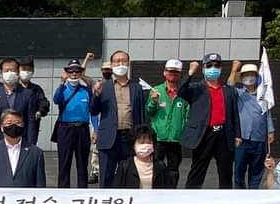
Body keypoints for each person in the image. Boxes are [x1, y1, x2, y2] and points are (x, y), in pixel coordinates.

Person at [177, 54, 240, 189]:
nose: (213, 68)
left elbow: (234, 114)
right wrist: (190, 72)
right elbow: (180, 91)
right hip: (204, 134)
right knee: (198, 170)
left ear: (221, 68)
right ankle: (190, 196)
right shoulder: (196, 88)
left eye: (216, 65)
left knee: (226, 172)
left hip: (224, 134)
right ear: (204, 68)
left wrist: (237, 135)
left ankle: (225, 197)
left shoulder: (228, 90)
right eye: (209, 65)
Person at [92, 50, 145, 187]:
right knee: (106, 177)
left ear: (128, 63)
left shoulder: (136, 87)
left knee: (128, 176)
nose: (120, 63)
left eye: (123, 60)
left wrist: (141, 137)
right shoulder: (104, 86)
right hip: (108, 137)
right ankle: (105, 200)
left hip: (129, 137)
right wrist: (96, 95)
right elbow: (94, 111)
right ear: (111, 65)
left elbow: (141, 114)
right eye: (116, 61)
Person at [230, 61, 275, 189]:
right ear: (241, 78)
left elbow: (268, 113)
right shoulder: (237, 93)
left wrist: (270, 130)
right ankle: (240, 195)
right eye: (246, 75)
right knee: (239, 172)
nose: (249, 77)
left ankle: (253, 195)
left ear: (257, 77)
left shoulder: (263, 95)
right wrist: (234, 69)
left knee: (256, 172)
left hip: (259, 138)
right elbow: (229, 85)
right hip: (242, 139)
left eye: (252, 75)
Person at [145, 59, 188, 189]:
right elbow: (149, 112)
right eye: (170, 71)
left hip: (176, 138)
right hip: (159, 137)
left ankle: (171, 192)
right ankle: (155, 191)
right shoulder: (156, 90)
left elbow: (188, 115)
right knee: (156, 167)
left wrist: (183, 130)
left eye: (176, 72)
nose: (172, 74)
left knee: (173, 169)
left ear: (180, 74)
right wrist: (153, 102)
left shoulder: (184, 93)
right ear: (164, 72)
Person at [53, 58, 94, 188]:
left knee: (82, 164)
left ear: (81, 73)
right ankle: (63, 191)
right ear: (67, 73)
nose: (74, 74)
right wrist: (61, 83)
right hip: (65, 128)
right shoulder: (63, 89)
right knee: (64, 163)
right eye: (71, 71)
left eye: (77, 71)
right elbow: (56, 100)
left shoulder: (86, 90)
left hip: (83, 129)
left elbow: (93, 111)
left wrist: (96, 129)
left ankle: (82, 191)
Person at [0, 58, 34, 145]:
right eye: (6, 71)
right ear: (1, 73)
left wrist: (31, 142)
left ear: (18, 72)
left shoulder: (27, 94)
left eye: (12, 70)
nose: (9, 73)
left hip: (20, 138)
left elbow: (30, 120)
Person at [17, 57, 49, 145]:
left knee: (30, 147)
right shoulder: (14, 87)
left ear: (33, 71)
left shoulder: (36, 89)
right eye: (24, 69)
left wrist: (40, 111)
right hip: (16, 124)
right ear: (18, 70)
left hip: (31, 125)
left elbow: (44, 103)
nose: (26, 72)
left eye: (29, 69)